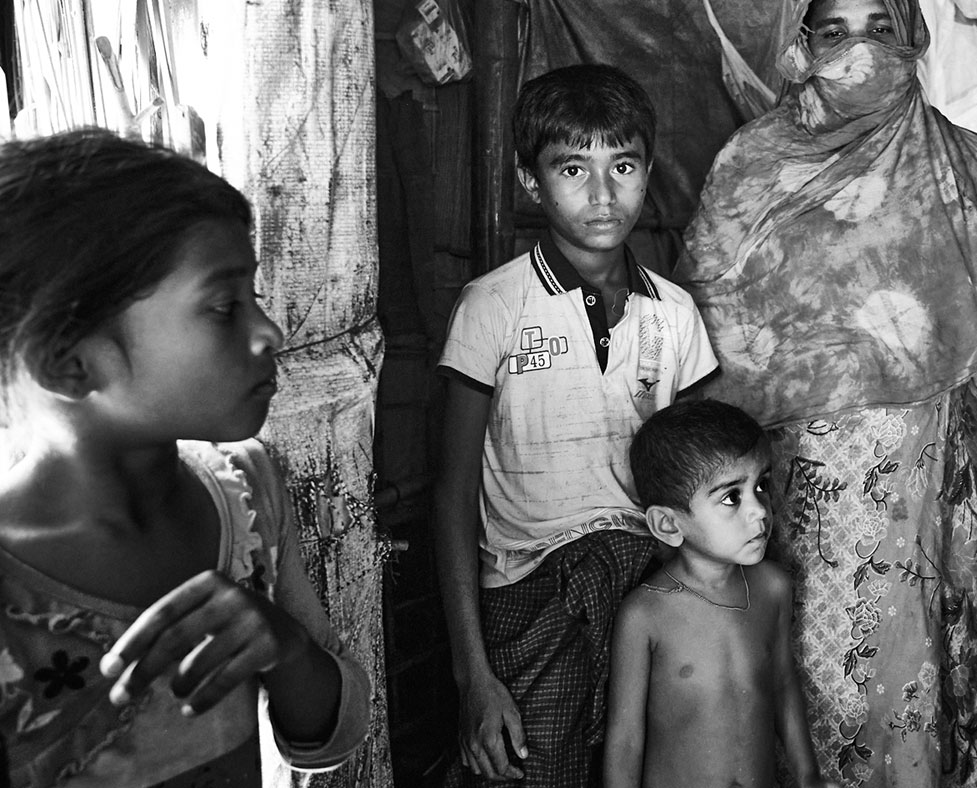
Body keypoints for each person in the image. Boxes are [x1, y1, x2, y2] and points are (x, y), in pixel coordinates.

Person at [679, 0, 977, 788]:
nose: (859, 51)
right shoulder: (750, 169)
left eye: (881, 29)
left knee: (930, 694)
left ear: (916, 39)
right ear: (802, 47)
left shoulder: (962, 164)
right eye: (834, 32)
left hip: (940, 493)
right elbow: (703, 351)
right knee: (819, 707)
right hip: (794, 507)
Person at [0, 129, 371, 787]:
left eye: (252, 297)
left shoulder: (248, 491)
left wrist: (284, 647)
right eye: (224, 306)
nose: (269, 332)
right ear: (67, 363)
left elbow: (329, 737)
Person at [434, 65, 718, 786]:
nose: (602, 194)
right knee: (537, 770)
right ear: (532, 182)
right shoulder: (491, 307)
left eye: (622, 166)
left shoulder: (675, 315)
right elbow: (452, 494)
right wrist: (473, 677)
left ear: (647, 171)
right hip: (526, 598)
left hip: (650, 589)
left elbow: (699, 479)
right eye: (572, 168)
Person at [604, 399, 839, 788]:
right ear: (668, 524)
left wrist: (808, 776)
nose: (760, 511)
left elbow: (781, 684)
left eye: (761, 485)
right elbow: (625, 740)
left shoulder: (773, 589)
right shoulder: (644, 615)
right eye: (732, 497)